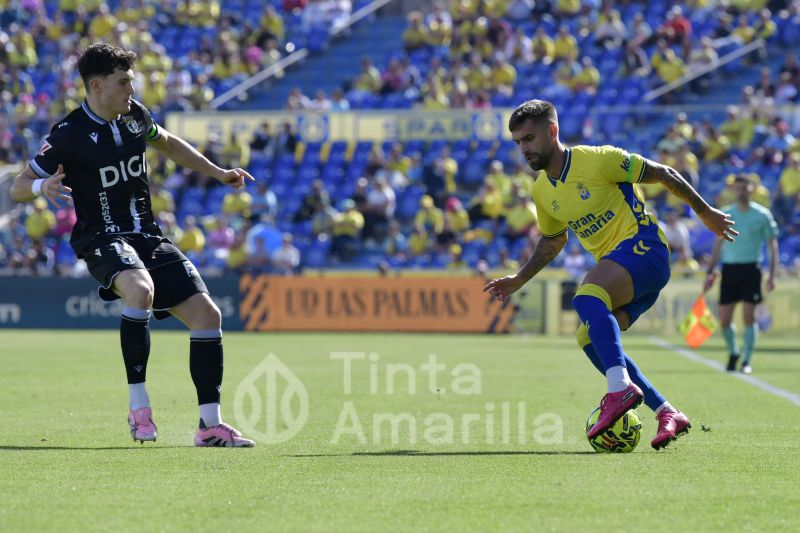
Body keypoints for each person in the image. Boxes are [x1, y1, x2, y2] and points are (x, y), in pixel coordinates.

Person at [9, 43, 255, 447]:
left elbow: (169, 142)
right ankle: (139, 410)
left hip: (148, 236)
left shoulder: (135, 115)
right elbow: (18, 187)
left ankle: (210, 426)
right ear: (96, 85)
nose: (131, 89)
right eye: (123, 82)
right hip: (102, 237)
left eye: (131, 81)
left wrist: (217, 171)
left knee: (208, 317)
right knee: (140, 290)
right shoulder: (68, 135)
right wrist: (41, 185)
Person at [484, 100, 737, 450]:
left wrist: (705, 212)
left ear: (552, 131)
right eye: (518, 142)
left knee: (586, 297)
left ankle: (618, 390)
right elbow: (552, 240)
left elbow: (663, 173)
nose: (524, 149)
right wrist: (519, 278)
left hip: (645, 249)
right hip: (627, 273)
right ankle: (666, 411)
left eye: (529, 138)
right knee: (588, 338)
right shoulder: (542, 191)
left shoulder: (598, 158)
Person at [704, 174, 778, 374]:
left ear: (752, 189)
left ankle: (746, 360)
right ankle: (733, 352)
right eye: (737, 188)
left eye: (745, 188)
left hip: (751, 269)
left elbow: (772, 245)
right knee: (725, 320)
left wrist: (772, 275)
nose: (741, 191)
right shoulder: (726, 215)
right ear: (733, 190)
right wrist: (710, 271)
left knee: (748, 317)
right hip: (729, 270)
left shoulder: (762, 215)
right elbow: (718, 244)